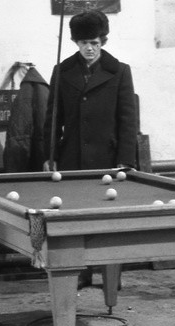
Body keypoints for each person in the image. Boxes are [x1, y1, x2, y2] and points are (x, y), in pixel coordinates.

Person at [43, 9, 138, 289]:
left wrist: (125, 160)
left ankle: (111, 275)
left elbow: (128, 120)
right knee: (74, 219)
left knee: (110, 222)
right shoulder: (62, 71)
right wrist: (50, 155)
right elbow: (52, 119)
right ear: (76, 42)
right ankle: (81, 272)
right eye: (84, 42)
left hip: (108, 158)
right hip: (72, 157)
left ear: (103, 41)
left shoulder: (119, 71)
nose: (89, 48)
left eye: (94, 43)